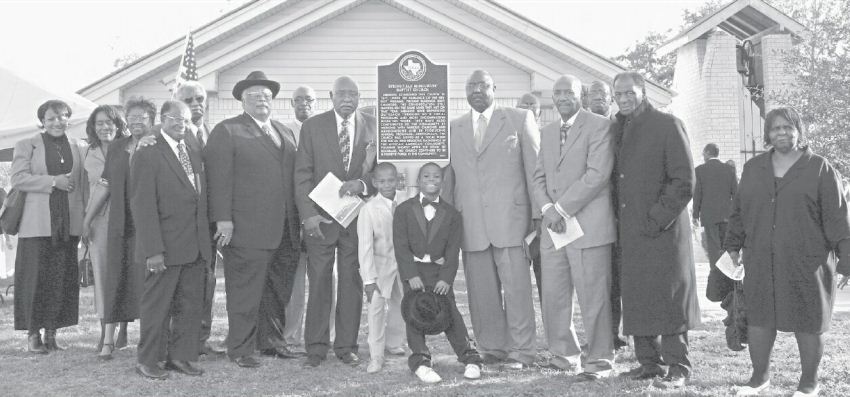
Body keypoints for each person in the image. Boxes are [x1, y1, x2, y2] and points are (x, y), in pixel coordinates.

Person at [726, 107, 850, 397]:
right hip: (760, 258)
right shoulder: (754, 168)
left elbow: (837, 218)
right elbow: (739, 211)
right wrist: (733, 244)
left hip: (808, 261)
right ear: (768, 133)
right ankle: (759, 379)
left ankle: (809, 384)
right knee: (760, 318)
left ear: (799, 131)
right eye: (775, 128)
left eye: (788, 127)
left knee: (809, 320)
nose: (781, 132)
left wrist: (846, 260)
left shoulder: (820, 168)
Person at [205, 71, 301, 368]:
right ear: (242, 100)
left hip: (285, 229)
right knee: (245, 292)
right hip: (246, 229)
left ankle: (271, 342)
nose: (262, 100)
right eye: (255, 95)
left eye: (267, 96)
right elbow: (218, 179)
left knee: (276, 290)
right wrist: (223, 220)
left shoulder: (284, 132)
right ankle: (241, 348)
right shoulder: (228, 131)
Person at [611, 71, 700, 388]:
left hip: (663, 230)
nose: (623, 99)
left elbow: (684, 181)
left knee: (669, 299)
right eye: (618, 94)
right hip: (630, 231)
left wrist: (655, 218)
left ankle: (679, 366)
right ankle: (649, 364)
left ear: (643, 92)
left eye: (629, 93)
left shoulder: (667, 124)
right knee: (637, 297)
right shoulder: (618, 128)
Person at [447, 70, 539, 369]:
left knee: (517, 290)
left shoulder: (519, 118)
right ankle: (493, 347)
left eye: (482, 85)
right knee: (481, 292)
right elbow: (450, 178)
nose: (476, 90)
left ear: (494, 88)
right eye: (470, 85)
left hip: (511, 221)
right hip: (470, 222)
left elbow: (534, 171)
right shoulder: (455, 127)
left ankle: (522, 351)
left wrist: (537, 215)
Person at [531, 75, 616, 379]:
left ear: (581, 95)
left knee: (594, 298)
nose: (563, 97)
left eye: (569, 92)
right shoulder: (548, 131)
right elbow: (538, 177)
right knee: (553, 296)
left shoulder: (599, 125)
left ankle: (600, 362)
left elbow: (597, 175)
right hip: (554, 229)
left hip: (588, 226)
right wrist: (546, 210)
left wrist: (561, 209)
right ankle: (564, 357)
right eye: (558, 92)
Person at [295, 75, 376, 368]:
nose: (347, 99)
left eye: (352, 94)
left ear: (359, 97)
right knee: (318, 282)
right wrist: (307, 216)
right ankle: (315, 348)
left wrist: (362, 184)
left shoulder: (372, 126)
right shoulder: (312, 127)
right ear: (331, 96)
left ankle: (346, 346)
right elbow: (302, 173)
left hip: (356, 220)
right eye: (341, 94)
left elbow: (381, 173)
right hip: (321, 219)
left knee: (351, 282)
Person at [131, 101, 211, 380]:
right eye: (175, 118)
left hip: (195, 244)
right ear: (162, 120)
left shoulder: (191, 148)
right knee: (157, 306)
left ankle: (181, 357)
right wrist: (153, 250)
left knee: (190, 305)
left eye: (186, 120)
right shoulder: (148, 151)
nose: (182, 124)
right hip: (164, 246)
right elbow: (143, 205)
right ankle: (148, 360)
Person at [394, 163, 483, 383]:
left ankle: (470, 358)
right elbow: (400, 245)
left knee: (450, 312)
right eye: (426, 175)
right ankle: (421, 362)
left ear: (442, 182)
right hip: (414, 272)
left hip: (439, 272)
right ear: (419, 181)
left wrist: (446, 278)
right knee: (414, 314)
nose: (431, 179)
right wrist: (410, 274)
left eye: (436, 176)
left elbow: (453, 250)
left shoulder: (452, 214)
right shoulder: (404, 210)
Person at [11, 100, 86, 354]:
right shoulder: (26, 145)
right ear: (42, 120)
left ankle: (52, 333)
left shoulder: (78, 146)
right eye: (52, 118)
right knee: (35, 279)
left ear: (69, 119)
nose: (58, 122)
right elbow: (19, 179)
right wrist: (54, 181)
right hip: (37, 224)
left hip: (68, 223)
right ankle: (33, 334)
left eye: (63, 117)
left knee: (60, 279)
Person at [86, 97, 157, 355]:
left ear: (152, 119)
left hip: (151, 224)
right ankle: (108, 340)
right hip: (121, 223)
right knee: (116, 279)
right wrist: (87, 221)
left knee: (151, 282)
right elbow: (104, 184)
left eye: (142, 117)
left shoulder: (160, 143)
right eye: (133, 117)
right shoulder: (118, 147)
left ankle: (152, 341)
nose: (137, 121)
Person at [175, 81, 224, 356]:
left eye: (200, 98)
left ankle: (201, 339)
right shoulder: (172, 133)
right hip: (183, 223)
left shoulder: (211, 132)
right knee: (185, 284)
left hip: (209, 222)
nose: (196, 103)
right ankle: (183, 340)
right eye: (189, 99)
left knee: (208, 281)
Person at [80, 105, 127, 360]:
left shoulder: (130, 148)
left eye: (109, 122)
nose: (104, 127)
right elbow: (86, 189)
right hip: (98, 220)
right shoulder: (88, 151)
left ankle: (124, 328)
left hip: (126, 218)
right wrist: (84, 220)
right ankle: (104, 328)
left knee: (126, 271)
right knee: (102, 275)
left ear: (119, 124)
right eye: (99, 123)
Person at [588, 79, 629, 351]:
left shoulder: (619, 128)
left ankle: (615, 333)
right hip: (589, 213)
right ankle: (600, 334)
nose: (599, 98)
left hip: (620, 213)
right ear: (586, 99)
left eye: (604, 94)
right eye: (594, 95)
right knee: (597, 282)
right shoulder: (579, 128)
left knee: (618, 280)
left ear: (611, 99)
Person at [358, 162, 406, 374]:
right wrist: (368, 279)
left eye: (391, 180)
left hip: (404, 267)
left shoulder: (407, 202)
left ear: (398, 180)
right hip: (380, 267)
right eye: (382, 181)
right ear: (375, 183)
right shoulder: (369, 209)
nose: (387, 185)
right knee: (376, 310)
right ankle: (376, 355)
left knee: (403, 306)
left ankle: (394, 343)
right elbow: (365, 247)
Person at [692, 143, 737, 302]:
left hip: (709, 216)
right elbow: (735, 194)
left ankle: (717, 285)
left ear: (706, 153)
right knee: (726, 248)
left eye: (703, 153)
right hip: (727, 216)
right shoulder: (729, 170)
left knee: (713, 249)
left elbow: (698, 195)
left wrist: (695, 215)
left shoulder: (700, 171)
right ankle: (729, 281)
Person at [515, 92, 543, 304]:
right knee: (516, 282)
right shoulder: (508, 138)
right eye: (523, 104)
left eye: (533, 104)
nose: (528, 107)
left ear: (540, 111)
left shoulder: (549, 136)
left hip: (544, 218)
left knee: (547, 280)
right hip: (515, 220)